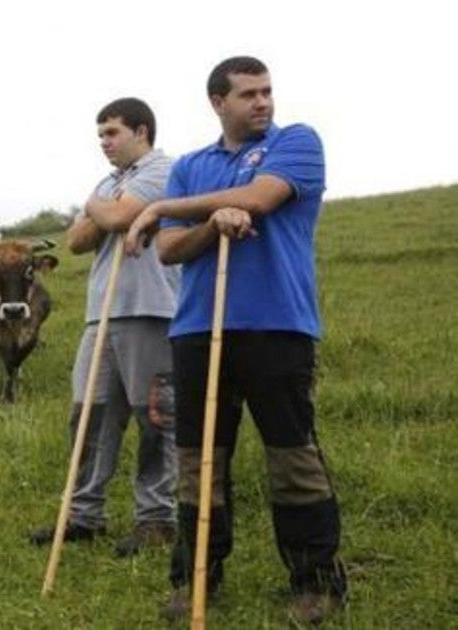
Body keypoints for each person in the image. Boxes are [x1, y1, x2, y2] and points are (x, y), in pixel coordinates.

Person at [124, 56, 346, 624]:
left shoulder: (297, 142)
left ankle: (316, 582)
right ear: (218, 102)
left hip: (278, 325)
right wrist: (210, 222)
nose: (263, 102)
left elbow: (261, 199)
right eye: (248, 94)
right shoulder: (193, 165)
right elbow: (171, 250)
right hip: (198, 328)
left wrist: (161, 208)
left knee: (293, 457)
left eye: (267, 91)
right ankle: (194, 578)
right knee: (200, 460)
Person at [30, 97, 179, 558]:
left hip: (148, 308)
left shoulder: (164, 170)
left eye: (112, 133)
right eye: (100, 136)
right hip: (101, 314)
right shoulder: (109, 183)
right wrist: (105, 207)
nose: (104, 143)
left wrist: (99, 209)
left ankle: (157, 518)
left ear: (142, 131)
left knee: (154, 415)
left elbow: (111, 218)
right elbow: (76, 241)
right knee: (89, 414)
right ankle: (83, 514)